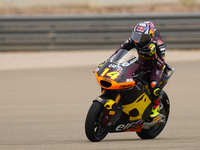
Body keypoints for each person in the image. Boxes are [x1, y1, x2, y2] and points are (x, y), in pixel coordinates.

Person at [100, 21, 166, 120]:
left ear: (150, 37)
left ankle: (156, 107)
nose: (138, 40)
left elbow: (161, 65)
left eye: (142, 38)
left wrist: (154, 56)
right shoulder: (133, 40)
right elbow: (120, 50)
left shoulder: (159, 44)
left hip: (154, 67)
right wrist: (107, 62)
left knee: (153, 85)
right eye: (136, 36)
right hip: (142, 63)